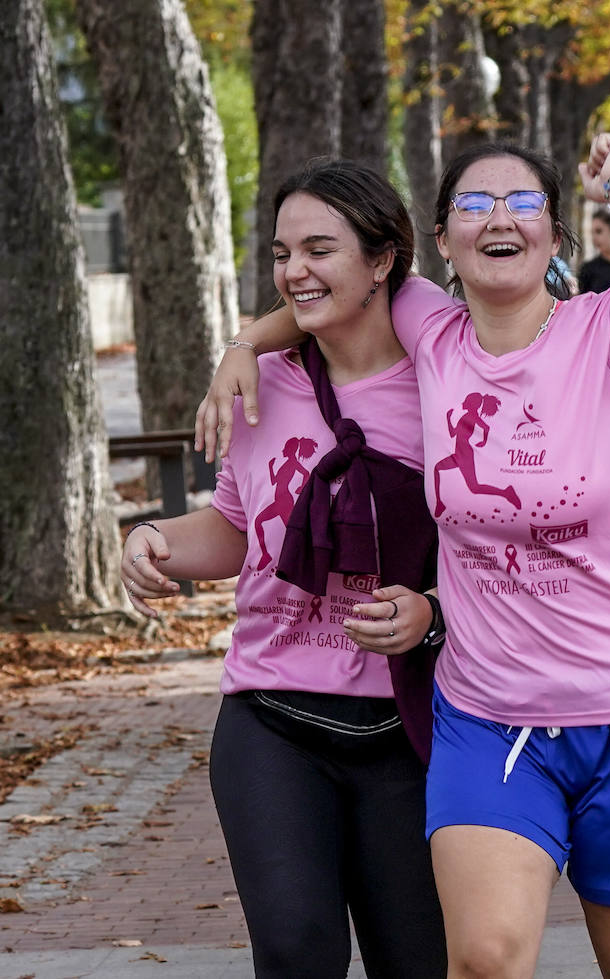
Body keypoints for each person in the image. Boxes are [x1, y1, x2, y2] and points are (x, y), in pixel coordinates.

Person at [196, 134, 610, 979]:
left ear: (555, 232)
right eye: (473, 204)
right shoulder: (432, 329)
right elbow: (336, 284)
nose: (499, 218)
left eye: (524, 203)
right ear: (441, 238)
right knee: (487, 959)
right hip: (492, 716)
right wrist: (244, 343)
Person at [127, 161, 447, 977]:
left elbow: (489, 540)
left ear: (382, 261)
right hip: (270, 718)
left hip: (409, 727)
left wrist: (431, 607)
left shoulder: (444, 379)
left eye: (319, 248)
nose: (294, 270)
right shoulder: (260, 385)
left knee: (418, 961)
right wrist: (154, 538)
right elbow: (236, 527)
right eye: (281, 252)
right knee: (297, 950)